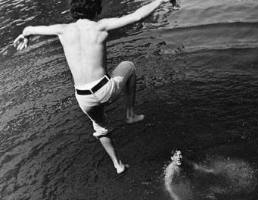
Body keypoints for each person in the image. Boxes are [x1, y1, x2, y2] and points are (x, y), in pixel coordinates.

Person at [13, 0, 173, 175]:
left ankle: (118, 165)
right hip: (104, 90)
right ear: (97, 10)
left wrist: (25, 35)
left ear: (73, 10)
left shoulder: (62, 29)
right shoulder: (100, 27)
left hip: (84, 98)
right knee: (130, 66)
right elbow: (138, 16)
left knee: (100, 129)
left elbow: (30, 29)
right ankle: (130, 114)